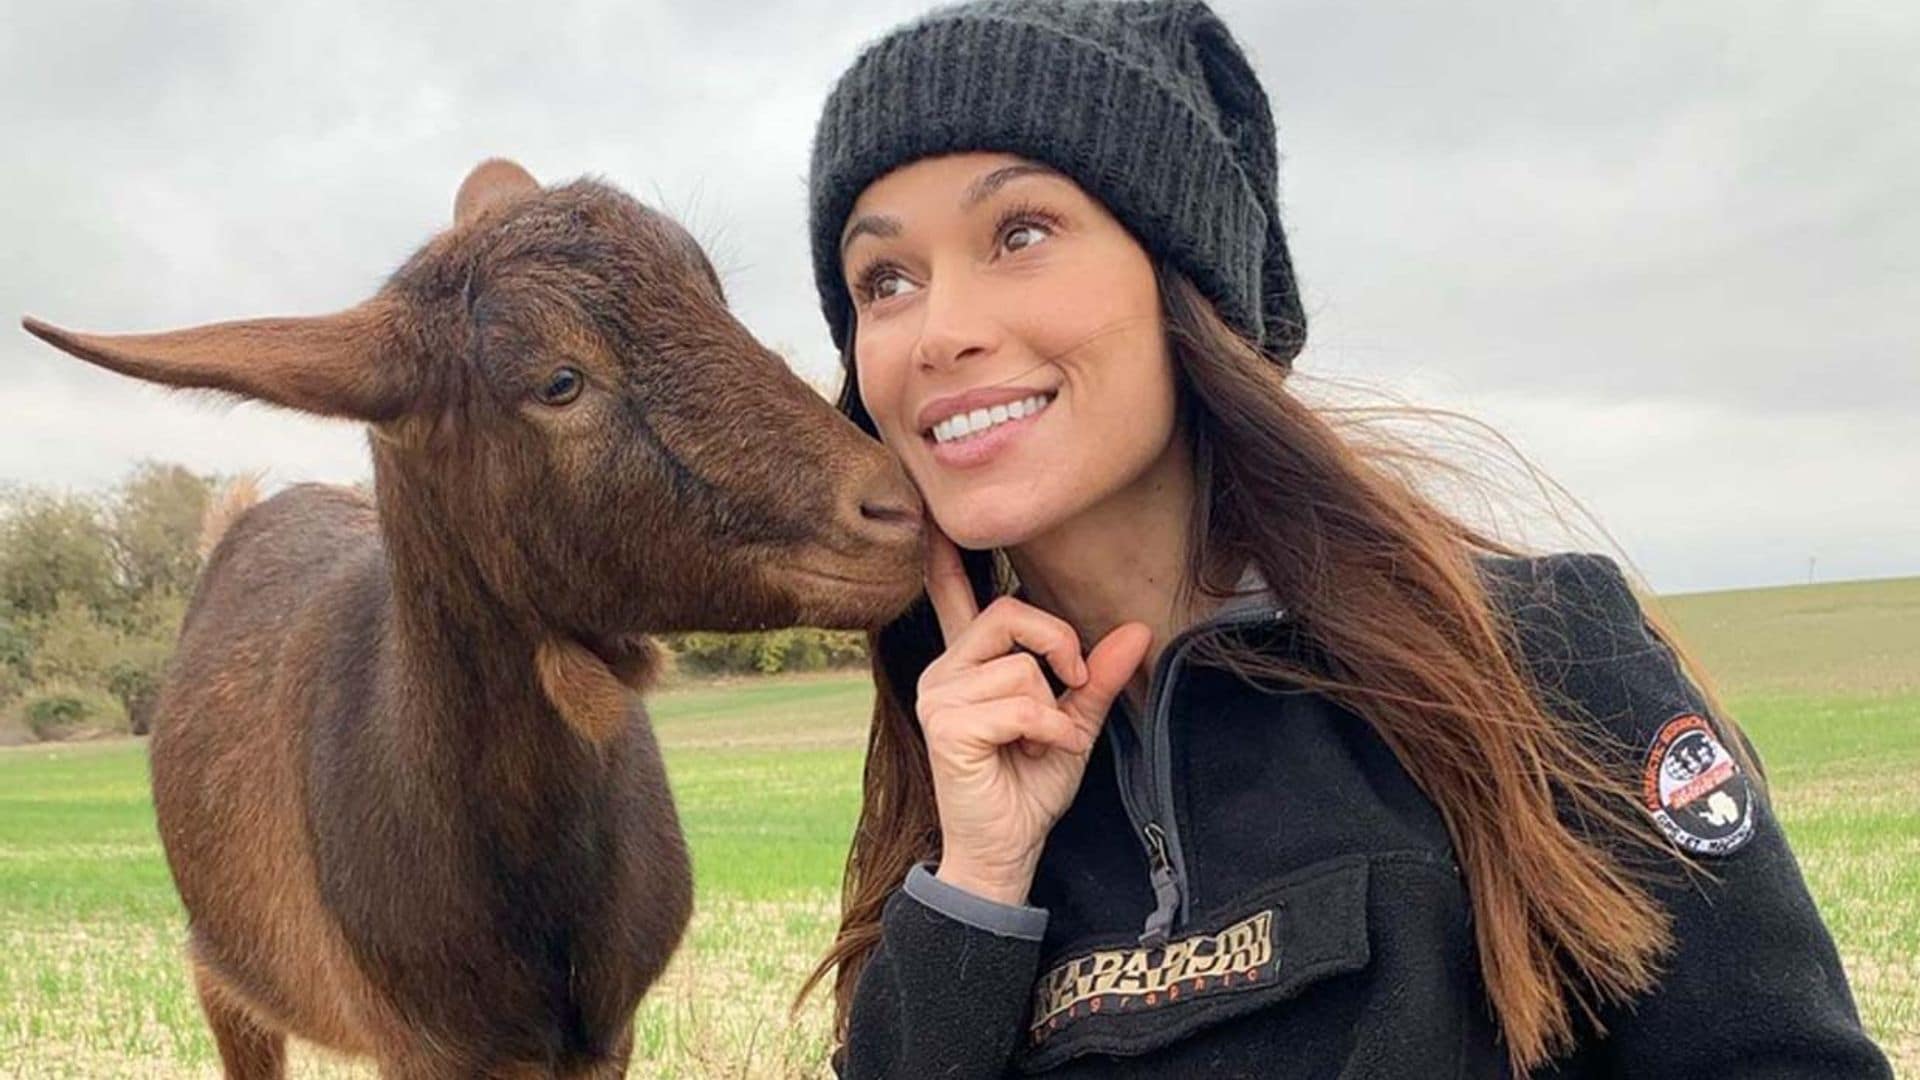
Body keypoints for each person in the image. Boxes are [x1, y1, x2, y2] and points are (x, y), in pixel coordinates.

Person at [796, 1, 1893, 1076]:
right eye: (884, 280)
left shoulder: (1538, 666)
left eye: (1021, 233)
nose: (940, 332)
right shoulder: (958, 796)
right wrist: (982, 880)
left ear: (1188, 281)